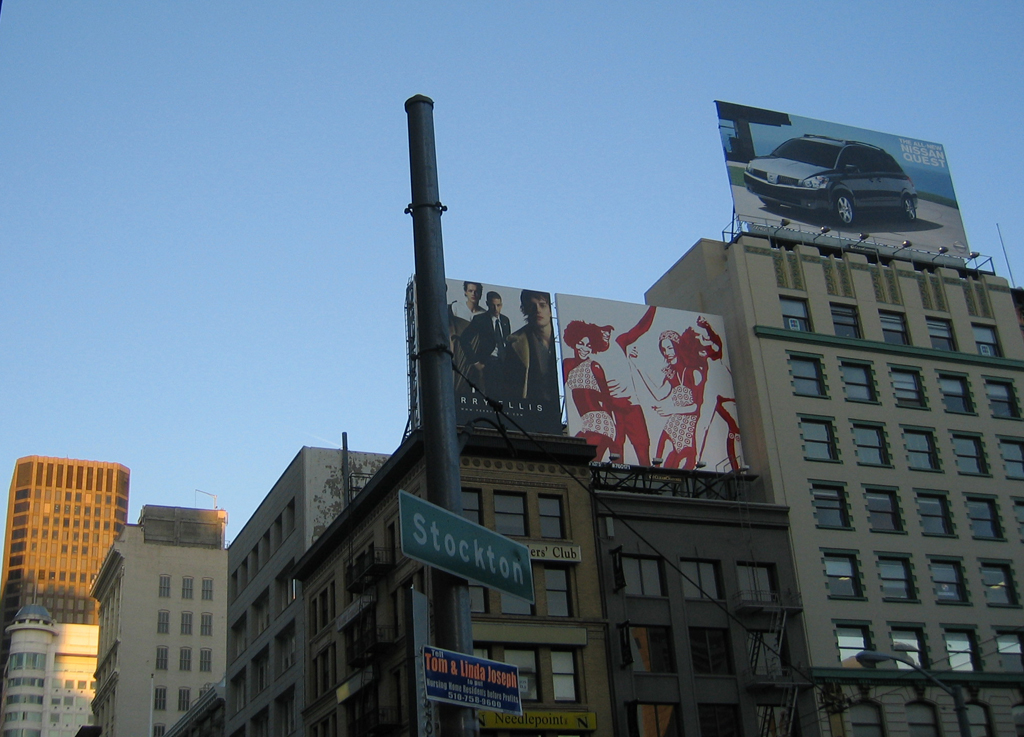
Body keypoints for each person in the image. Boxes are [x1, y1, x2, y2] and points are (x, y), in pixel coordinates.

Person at [562, 321, 616, 459]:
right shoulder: (567, 363)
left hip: (601, 423)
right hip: (585, 423)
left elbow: (607, 400)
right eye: (581, 343)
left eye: (589, 345)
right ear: (573, 342)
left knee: (586, 465)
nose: (584, 349)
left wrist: (615, 443)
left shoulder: (594, 367)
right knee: (571, 459)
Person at [506, 290, 559, 412]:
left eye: (542, 305)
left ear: (550, 310)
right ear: (525, 309)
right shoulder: (514, 342)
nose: (538, 310)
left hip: (557, 414)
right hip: (529, 413)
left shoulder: (565, 341)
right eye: (532, 306)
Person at [461, 291, 511, 397]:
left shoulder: (505, 320)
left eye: (498, 305)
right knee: (492, 394)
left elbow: (507, 341)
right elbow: (464, 339)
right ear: (487, 304)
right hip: (488, 361)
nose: (496, 308)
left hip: (505, 362)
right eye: (493, 305)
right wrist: (475, 362)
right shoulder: (480, 319)